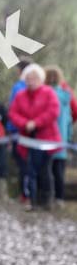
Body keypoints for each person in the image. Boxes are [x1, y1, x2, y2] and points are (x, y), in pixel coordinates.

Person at [9, 63, 61, 210]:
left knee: (45, 170)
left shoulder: (49, 93)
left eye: (34, 78)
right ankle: (33, 200)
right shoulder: (20, 96)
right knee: (30, 170)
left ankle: (46, 200)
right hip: (27, 139)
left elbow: (53, 112)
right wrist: (25, 123)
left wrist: (36, 123)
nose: (31, 81)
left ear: (40, 79)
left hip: (47, 139)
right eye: (28, 78)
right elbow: (13, 113)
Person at [45, 66, 74, 207]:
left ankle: (48, 197)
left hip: (46, 139)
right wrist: (69, 137)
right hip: (61, 140)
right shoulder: (65, 96)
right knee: (59, 172)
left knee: (46, 171)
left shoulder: (44, 94)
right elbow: (69, 119)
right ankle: (59, 198)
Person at [7, 59, 30, 201]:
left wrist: (10, 130)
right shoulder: (41, 86)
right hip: (33, 131)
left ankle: (25, 194)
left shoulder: (18, 87)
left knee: (23, 164)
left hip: (19, 132)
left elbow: (12, 110)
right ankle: (29, 194)